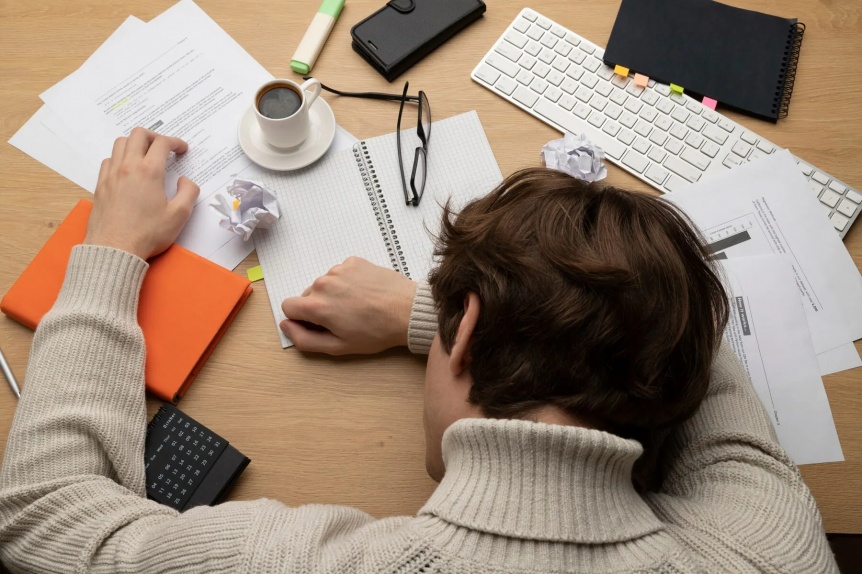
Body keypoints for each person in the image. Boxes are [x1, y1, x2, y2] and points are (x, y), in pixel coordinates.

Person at [0, 129, 837, 573]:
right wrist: (452, 313)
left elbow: (42, 514)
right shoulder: (766, 554)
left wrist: (109, 251)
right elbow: (692, 330)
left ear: (461, 331)